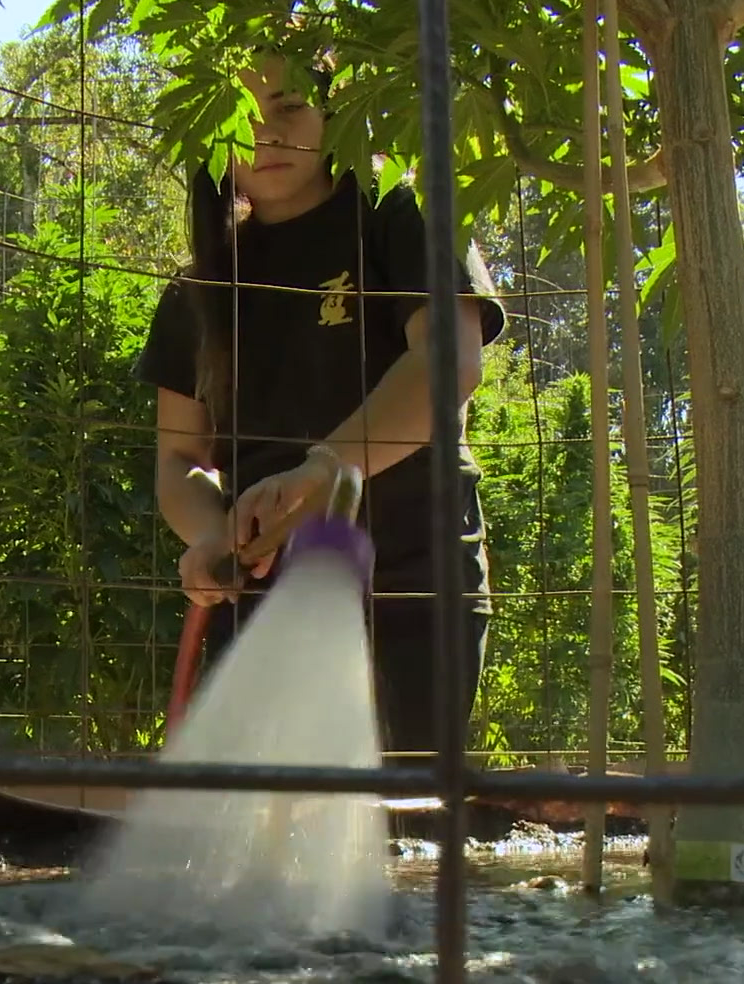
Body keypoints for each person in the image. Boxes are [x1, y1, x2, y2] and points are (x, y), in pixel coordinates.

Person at [133, 53, 505, 763]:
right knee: (260, 836)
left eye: (289, 109)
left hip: (411, 577)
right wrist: (209, 535)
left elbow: (448, 363)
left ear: (337, 115)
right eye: (239, 122)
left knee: (398, 819)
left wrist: (323, 471)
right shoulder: (196, 291)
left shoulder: (402, 208)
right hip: (264, 585)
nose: (265, 137)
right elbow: (179, 459)